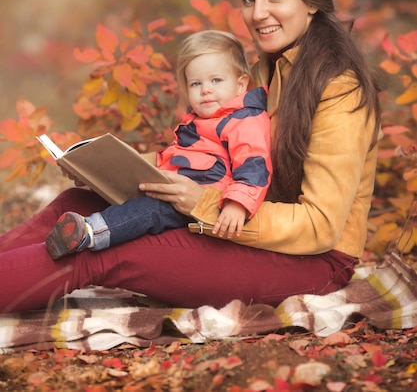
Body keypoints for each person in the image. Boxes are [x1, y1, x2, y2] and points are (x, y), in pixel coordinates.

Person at [0, 0, 381, 314]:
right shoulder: (265, 71)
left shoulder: (339, 89)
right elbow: (209, 150)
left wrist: (204, 203)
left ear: (311, 0)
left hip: (313, 262)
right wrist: (110, 167)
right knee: (77, 202)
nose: (258, 13)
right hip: (243, 226)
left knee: (101, 249)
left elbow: (320, 226)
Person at [45, 30, 272, 259]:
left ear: (241, 84)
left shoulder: (244, 120)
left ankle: (90, 232)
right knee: (132, 203)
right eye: (195, 83)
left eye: (216, 80)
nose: (205, 90)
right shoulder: (199, 121)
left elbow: (254, 164)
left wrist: (237, 205)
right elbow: (174, 157)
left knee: (151, 211)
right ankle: (71, 231)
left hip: (204, 205)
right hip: (174, 192)